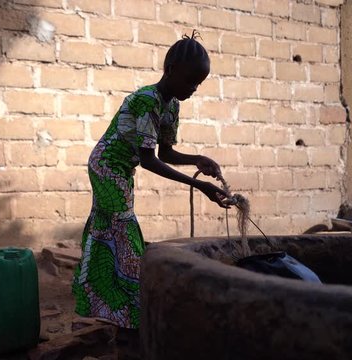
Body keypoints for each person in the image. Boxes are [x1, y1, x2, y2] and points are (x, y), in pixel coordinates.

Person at [72, 31, 229, 358]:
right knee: (122, 227)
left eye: (198, 84)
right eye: (190, 81)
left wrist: (196, 159)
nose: (193, 89)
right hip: (106, 165)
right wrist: (199, 185)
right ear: (170, 69)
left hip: (123, 168)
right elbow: (148, 160)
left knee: (107, 227)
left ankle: (97, 297)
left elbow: (166, 153)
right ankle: (130, 311)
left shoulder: (171, 106)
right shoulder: (146, 100)